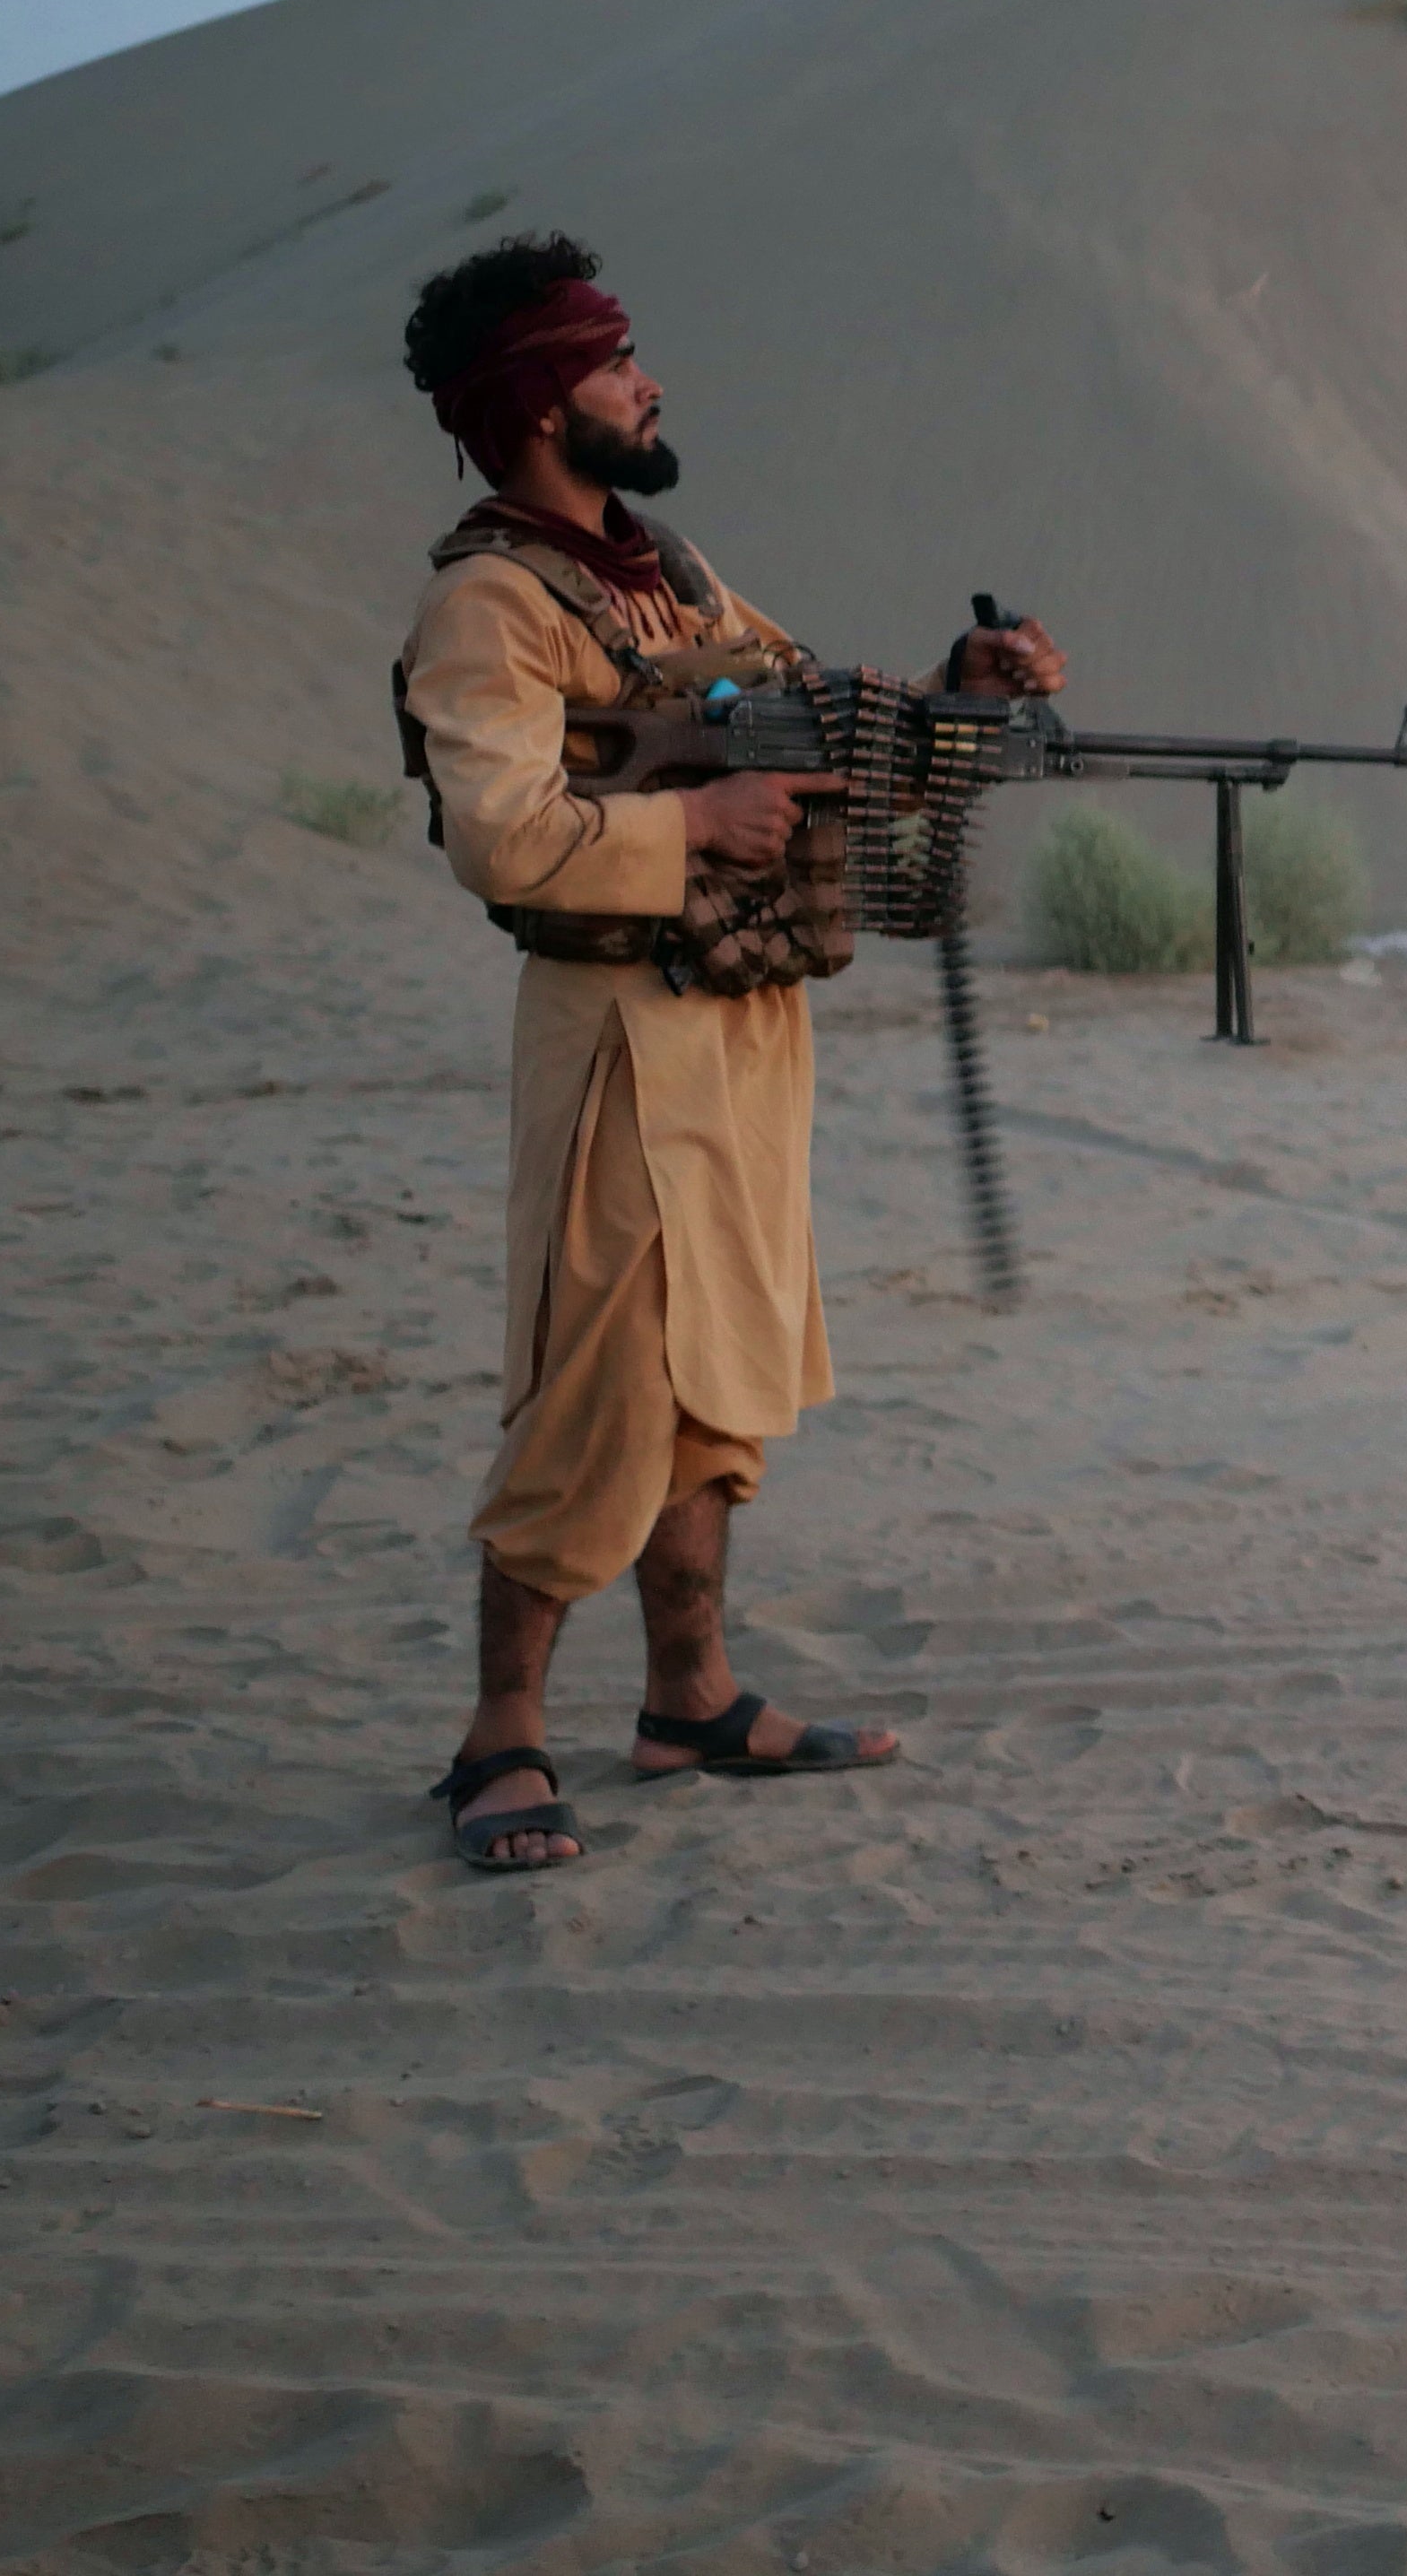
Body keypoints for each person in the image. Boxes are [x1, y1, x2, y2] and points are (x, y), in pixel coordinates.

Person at [395, 233, 1068, 1874]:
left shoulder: (671, 574)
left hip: (744, 1031)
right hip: (622, 1037)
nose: (651, 383)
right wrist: (686, 820)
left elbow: (812, 721)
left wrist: (956, 696)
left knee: (718, 1391)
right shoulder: (491, 607)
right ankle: (502, 1742)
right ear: (547, 401)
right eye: (619, 363)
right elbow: (501, 835)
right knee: (599, 1392)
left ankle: (687, 1697)